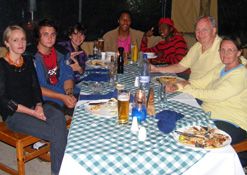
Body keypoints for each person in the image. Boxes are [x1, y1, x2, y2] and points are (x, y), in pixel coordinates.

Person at [0, 25, 68, 175]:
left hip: (35, 106)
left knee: (59, 118)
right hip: (15, 115)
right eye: (15, 40)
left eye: (23, 39)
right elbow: (4, 100)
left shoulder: (28, 61)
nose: (21, 43)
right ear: (7, 43)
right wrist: (32, 112)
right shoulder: (2, 66)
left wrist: (38, 105)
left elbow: (36, 88)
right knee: (58, 132)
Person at [167, 35, 247, 146]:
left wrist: (187, 89)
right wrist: (179, 86)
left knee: (196, 141)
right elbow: (201, 82)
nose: (225, 53)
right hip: (210, 113)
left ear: (238, 52)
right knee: (176, 126)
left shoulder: (241, 74)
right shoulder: (221, 67)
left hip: (231, 121)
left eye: (230, 50)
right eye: (222, 50)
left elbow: (215, 95)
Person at [150, 16, 222, 80]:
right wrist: (156, 69)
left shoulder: (223, 49)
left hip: (203, 90)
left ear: (213, 31)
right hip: (191, 85)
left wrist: (184, 85)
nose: (200, 33)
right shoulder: (197, 46)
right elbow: (180, 66)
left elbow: (216, 79)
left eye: (204, 30)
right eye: (197, 30)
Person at [30, 19, 77, 114]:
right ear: (38, 36)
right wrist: (62, 97)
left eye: (53, 34)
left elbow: (67, 77)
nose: (50, 38)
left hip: (63, 93)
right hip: (44, 99)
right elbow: (35, 87)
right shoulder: (30, 58)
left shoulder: (62, 53)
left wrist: (69, 94)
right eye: (46, 34)